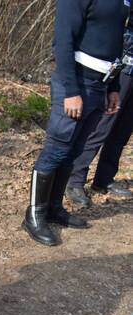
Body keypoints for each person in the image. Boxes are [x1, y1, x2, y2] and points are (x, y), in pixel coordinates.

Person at [22, 0, 130, 246]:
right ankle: (34, 216)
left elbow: (115, 40)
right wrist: (71, 91)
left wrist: (113, 87)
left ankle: (54, 208)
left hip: (100, 84)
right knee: (57, 148)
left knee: (74, 150)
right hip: (75, 81)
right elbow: (63, 41)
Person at [66, 11, 133, 206]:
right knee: (102, 126)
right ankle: (75, 180)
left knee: (123, 132)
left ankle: (104, 179)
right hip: (121, 67)